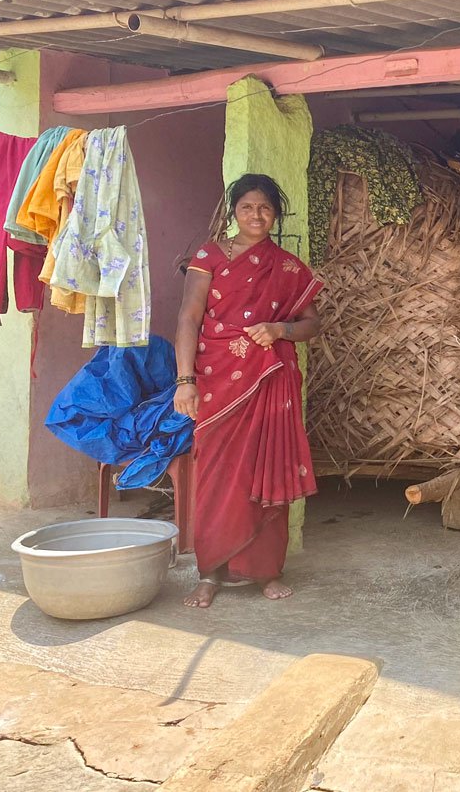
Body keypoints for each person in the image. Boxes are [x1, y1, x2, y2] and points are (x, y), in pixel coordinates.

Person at [174, 174, 322, 608]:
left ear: (275, 215)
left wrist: (280, 328)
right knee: (218, 477)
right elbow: (188, 318)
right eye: (247, 208)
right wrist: (185, 380)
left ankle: (265, 572)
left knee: (266, 469)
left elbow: (313, 324)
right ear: (233, 212)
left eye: (265, 208)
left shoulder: (289, 267)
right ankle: (210, 572)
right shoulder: (209, 256)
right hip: (217, 381)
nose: (256, 216)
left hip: (269, 381)